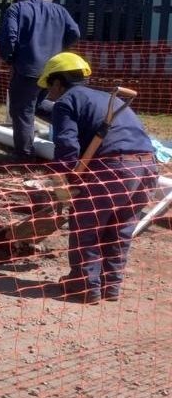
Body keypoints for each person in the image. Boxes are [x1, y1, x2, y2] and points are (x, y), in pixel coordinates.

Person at [39, 52, 157, 304]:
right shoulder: (107, 99)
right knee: (120, 227)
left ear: (57, 82)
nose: (49, 92)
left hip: (112, 168)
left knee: (87, 226)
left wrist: (64, 178)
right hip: (147, 167)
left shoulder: (67, 101)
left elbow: (66, 145)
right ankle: (110, 286)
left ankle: (84, 286)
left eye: (49, 85)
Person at [0, 0, 80, 159]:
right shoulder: (59, 10)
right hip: (53, 70)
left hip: (28, 70)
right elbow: (75, 33)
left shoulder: (16, 9)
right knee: (40, 105)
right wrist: (60, 49)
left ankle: (24, 156)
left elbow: (10, 38)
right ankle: (76, 125)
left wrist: (9, 58)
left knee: (22, 111)